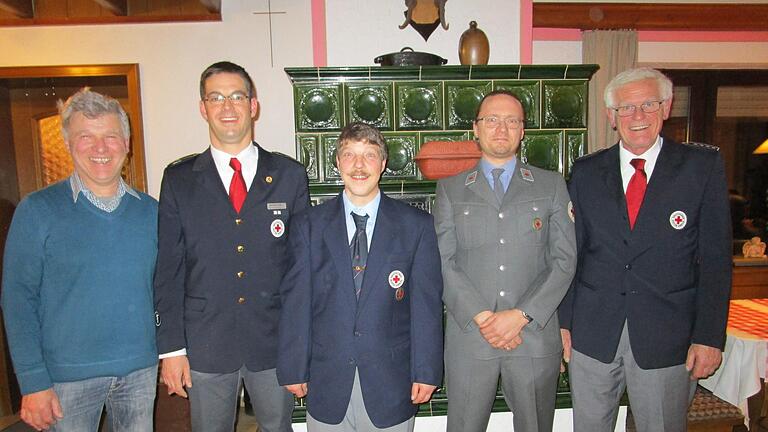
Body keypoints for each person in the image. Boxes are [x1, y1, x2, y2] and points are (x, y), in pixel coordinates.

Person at [559, 67, 732, 432]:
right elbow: (573, 253)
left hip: (668, 337)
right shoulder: (587, 172)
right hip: (593, 334)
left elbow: (716, 261)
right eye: (626, 108)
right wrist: (563, 323)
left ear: (666, 108)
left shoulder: (700, 167)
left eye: (648, 104)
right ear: (611, 116)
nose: (638, 116)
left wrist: (708, 336)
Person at [154, 61, 309, 432]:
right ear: (202, 107)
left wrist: (300, 347)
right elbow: (168, 270)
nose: (228, 107)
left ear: (253, 106)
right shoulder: (179, 179)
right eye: (216, 97)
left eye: (237, 96)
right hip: (206, 343)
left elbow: (301, 269)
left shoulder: (289, 175)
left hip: (272, 343)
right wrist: (172, 350)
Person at [1, 88, 158, 431]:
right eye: (86, 137)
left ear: (127, 145)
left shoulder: (151, 212)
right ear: (69, 144)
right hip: (66, 381)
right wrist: (32, 381)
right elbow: (17, 300)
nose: (100, 148)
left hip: (139, 373)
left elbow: (166, 289)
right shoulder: (38, 211)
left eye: (110, 136)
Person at [277, 122, 444, 432]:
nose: (358, 165)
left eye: (369, 155)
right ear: (337, 162)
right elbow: (296, 301)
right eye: (349, 155)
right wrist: (292, 367)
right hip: (327, 380)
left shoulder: (416, 226)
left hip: (392, 381)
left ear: (383, 163)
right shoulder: (307, 225)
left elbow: (426, 306)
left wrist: (426, 370)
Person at [433, 90, 577, 432]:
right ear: (476, 128)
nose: (502, 128)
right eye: (492, 120)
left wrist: (520, 316)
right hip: (471, 336)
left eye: (512, 121)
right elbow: (442, 261)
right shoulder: (451, 189)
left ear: (523, 130)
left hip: (534, 335)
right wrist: (486, 319)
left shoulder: (551, 185)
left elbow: (564, 260)